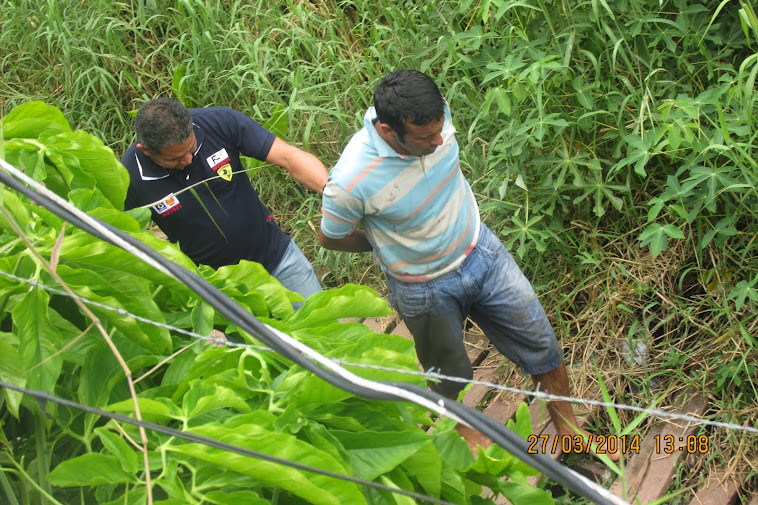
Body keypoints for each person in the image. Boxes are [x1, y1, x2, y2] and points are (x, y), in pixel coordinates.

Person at [319, 69, 619, 460]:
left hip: (481, 252)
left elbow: (436, 131)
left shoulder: (432, 115)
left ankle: (569, 430)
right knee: (448, 373)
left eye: (440, 130)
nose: (439, 140)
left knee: (541, 342)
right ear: (390, 132)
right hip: (422, 288)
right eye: (426, 139)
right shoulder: (350, 181)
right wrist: (383, 246)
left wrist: (431, 137)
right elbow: (330, 236)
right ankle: (461, 429)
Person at [121, 98, 326, 304]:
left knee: (323, 328)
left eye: (191, 149)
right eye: (174, 159)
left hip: (279, 260)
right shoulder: (130, 177)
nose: (188, 160)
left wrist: (330, 192)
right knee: (255, 338)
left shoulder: (219, 122)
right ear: (146, 151)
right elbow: (120, 236)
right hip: (224, 290)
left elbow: (289, 156)